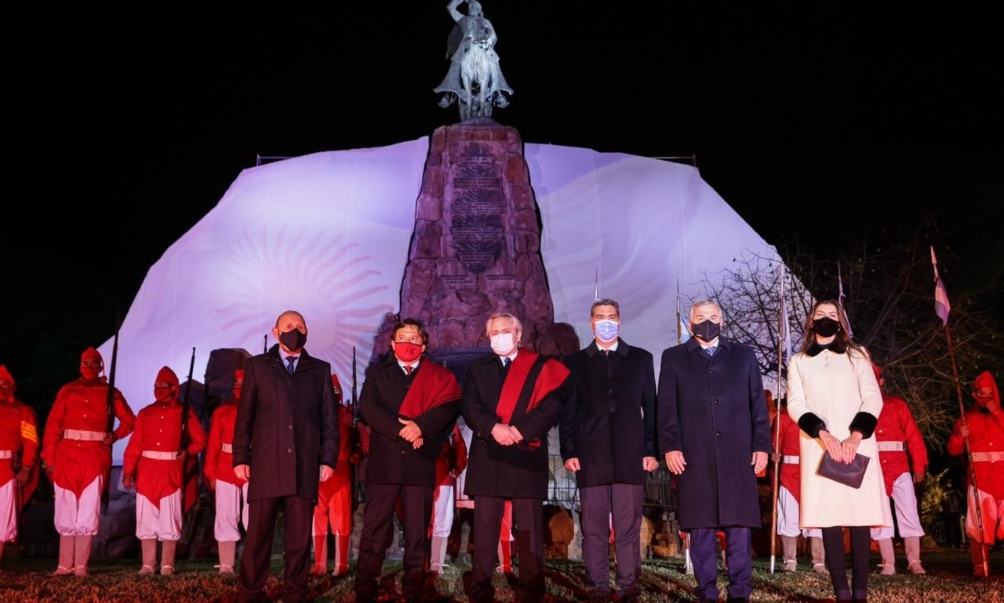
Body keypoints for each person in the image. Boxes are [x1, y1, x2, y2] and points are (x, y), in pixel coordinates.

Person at [657, 299, 771, 603]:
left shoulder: (743, 356)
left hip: (738, 455)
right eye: (700, 316)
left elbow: (757, 405)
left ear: (722, 321)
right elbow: (666, 408)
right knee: (701, 527)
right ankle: (706, 591)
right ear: (690, 321)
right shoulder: (674, 357)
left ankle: (740, 592)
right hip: (695, 456)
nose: (706, 321)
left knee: (739, 528)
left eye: (712, 316)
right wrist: (670, 446)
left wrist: (761, 445)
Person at [461, 312, 572, 603]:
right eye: (494, 331)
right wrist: (493, 428)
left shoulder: (539, 367)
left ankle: (532, 590)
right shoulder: (477, 368)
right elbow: (470, 406)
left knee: (530, 530)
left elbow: (551, 406)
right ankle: (480, 589)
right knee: (484, 530)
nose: (500, 335)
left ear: (519, 334)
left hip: (526, 455)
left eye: (506, 330)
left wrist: (520, 431)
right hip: (489, 454)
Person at [786, 299, 891, 603]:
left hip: (857, 443)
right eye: (821, 315)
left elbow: (872, 397)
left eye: (833, 315)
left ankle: (860, 592)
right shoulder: (799, 362)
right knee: (829, 516)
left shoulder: (857, 355)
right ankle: (841, 593)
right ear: (810, 321)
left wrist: (854, 437)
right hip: (820, 446)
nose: (827, 320)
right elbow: (796, 404)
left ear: (841, 322)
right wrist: (824, 435)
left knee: (859, 517)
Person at [232, 310, 340, 603]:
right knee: (258, 535)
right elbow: (244, 418)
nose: (296, 330)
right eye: (289, 326)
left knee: (298, 537)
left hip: (304, 464)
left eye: (301, 325)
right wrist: (241, 457)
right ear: (276, 331)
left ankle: (295, 592)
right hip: (265, 463)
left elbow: (329, 420)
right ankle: (250, 591)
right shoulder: (258, 367)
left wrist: (328, 459)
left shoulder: (319, 370)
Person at [353, 318, 462, 603]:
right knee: (375, 530)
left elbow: (449, 408)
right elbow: (367, 408)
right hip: (384, 464)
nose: (408, 343)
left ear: (423, 345)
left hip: (419, 463)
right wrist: (404, 429)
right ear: (392, 343)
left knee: (417, 531)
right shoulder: (378, 373)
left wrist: (421, 427)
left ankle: (414, 586)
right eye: (402, 337)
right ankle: (365, 586)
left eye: (414, 338)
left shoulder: (438, 376)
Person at [559, 298, 657, 603]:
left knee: (629, 528)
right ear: (591, 323)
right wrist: (569, 450)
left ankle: (629, 586)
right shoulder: (574, 363)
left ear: (619, 321)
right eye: (600, 317)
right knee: (594, 528)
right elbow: (568, 411)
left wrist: (651, 449)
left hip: (630, 456)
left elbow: (650, 408)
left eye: (611, 316)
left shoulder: (640, 359)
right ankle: (598, 586)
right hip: (591, 455)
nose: (606, 321)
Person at [42, 346, 136, 577]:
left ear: (101, 366)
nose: (90, 368)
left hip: (94, 457)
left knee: (87, 509)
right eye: (86, 363)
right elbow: (53, 426)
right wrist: (49, 458)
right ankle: (64, 565)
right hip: (67, 457)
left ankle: (81, 565)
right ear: (79, 366)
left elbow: (129, 421)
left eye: (95, 364)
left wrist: (114, 435)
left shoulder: (111, 393)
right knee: (65, 509)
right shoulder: (68, 390)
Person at [122, 366, 208, 575]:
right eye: (156, 386)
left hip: (171, 472)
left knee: (170, 519)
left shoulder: (185, 413)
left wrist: (187, 451)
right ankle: (148, 564)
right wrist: (128, 471)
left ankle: (167, 564)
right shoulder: (145, 413)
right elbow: (134, 446)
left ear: (173, 388)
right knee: (146, 519)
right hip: (147, 472)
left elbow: (200, 440)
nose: (159, 389)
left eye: (163, 386)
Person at [869, 364, 929, 575]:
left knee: (908, 511)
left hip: (899, 465)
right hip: (874, 469)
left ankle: (914, 560)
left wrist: (918, 465)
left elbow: (913, 437)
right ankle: (888, 563)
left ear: (881, 382)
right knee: (879, 515)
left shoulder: (897, 405)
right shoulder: (859, 408)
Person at [946, 370, 1004, 578]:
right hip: (980, 479)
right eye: (982, 393)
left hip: (1002, 476)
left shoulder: (1002, 415)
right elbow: (953, 450)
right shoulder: (966, 418)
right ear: (974, 395)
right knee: (979, 525)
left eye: (989, 393)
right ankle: (980, 564)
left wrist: (997, 412)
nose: (985, 398)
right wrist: (959, 437)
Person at [770, 396, 827, 574]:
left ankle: (818, 561)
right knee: (789, 518)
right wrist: (774, 454)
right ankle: (790, 560)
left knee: (816, 520)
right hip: (789, 474)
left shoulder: (820, 416)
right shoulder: (784, 417)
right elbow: (773, 444)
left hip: (814, 474)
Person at [433, 0, 513, 120]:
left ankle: (497, 93)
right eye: (470, 6)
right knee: (456, 62)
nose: (471, 8)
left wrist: (488, 41)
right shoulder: (463, 19)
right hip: (466, 48)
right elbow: (450, 8)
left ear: (479, 9)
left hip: (483, 46)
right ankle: (450, 93)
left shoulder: (486, 22)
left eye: (473, 6)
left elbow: (493, 35)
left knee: (493, 62)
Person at [309, 373, 354, 577]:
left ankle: (341, 563)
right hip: (318, 471)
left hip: (340, 471)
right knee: (318, 518)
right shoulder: (314, 415)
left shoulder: (346, 415)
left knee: (341, 519)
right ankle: (319, 563)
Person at [204, 368, 248, 575]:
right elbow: (213, 444)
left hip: (252, 467)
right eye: (236, 384)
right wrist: (211, 473)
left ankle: (255, 564)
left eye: (243, 384)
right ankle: (227, 565)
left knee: (254, 516)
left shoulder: (262, 410)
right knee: (225, 515)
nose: (238, 388)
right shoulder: (221, 412)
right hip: (225, 467)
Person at [0, 365, 40, 570]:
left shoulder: (22, 411)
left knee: (1, 519)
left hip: (6, 471)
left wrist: (26, 467)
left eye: (4, 384)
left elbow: (31, 442)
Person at [430, 422, 468, 575]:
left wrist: (457, 467)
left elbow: (460, 446)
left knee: (443, 521)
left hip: (443, 476)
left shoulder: (450, 422)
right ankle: (431, 563)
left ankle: (436, 564)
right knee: (432, 521)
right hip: (426, 476)